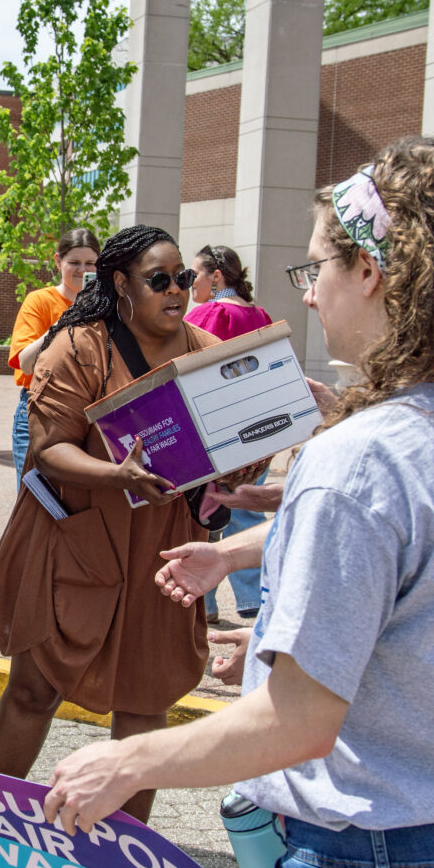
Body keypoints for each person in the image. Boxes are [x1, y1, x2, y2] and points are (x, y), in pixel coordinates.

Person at [48, 138, 434, 868]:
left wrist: (126, 760)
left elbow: (299, 723)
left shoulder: (357, 459)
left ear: (372, 272)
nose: (308, 296)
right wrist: (291, 631)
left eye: (317, 270)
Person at [0, 224, 219, 868]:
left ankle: (119, 850)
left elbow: (226, 449)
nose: (178, 291)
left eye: (183, 278)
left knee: (147, 698)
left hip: (161, 546)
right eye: (161, 279)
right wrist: (116, 475)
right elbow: (47, 447)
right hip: (79, 538)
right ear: (120, 285)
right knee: (36, 685)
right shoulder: (78, 345)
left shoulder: (205, 351)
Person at [184, 244, 274, 622]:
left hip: (215, 431)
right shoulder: (262, 314)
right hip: (261, 428)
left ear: (215, 277)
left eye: (194, 276)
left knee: (200, 515)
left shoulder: (208, 314)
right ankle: (255, 598)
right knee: (247, 509)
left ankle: (202, 601)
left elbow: (185, 368)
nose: (188, 285)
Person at [6, 229, 101, 484]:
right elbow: (25, 364)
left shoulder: (107, 308)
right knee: (35, 501)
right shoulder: (40, 301)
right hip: (40, 412)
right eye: (74, 263)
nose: (82, 270)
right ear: (58, 262)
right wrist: (64, 322)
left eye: (90, 263)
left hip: (88, 417)